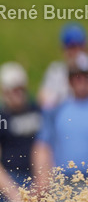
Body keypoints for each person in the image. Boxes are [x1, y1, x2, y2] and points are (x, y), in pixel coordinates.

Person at [0, 63, 41, 202]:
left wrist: (39, 187)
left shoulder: (37, 112)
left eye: (20, 89)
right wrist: (14, 194)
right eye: (13, 90)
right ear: (4, 91)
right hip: (11, 181)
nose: (17, 94)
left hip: (36, 179)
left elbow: (46, 150)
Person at [33, 52, 88, 193]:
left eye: (84, 75)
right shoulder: (57, 109)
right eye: (75, 76)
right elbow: (43, 145)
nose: (80, 80)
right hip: (63, 183)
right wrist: (41, 176)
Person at [38, 22, 86, 110]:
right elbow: (43, 99)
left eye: (79, 46)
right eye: (71, 46)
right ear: (63, 48)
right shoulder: (55, 71)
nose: (75, 51)